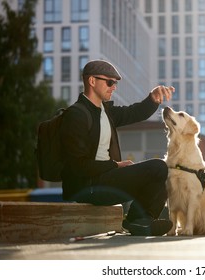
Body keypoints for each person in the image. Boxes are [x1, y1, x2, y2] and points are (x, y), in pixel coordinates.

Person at [60, 59, 175, 236]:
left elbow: (134, 112)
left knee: (168, 170)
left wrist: (152, 99)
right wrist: (115, 165)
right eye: (110, 82)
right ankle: (138, 220)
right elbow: (79, 166)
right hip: (87, 187)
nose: (114, 87)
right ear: (92, 81)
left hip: (105, 180)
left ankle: (140, 221)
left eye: (115, 84)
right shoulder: (76, 115)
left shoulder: (106, 112)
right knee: (158, 167)